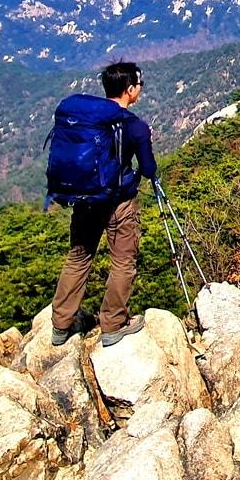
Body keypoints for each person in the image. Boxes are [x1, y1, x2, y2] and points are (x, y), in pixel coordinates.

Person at [49, 61, 157, 347]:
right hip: (119, 204)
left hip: (85, 202)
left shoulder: (91, 119)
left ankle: (61, 325)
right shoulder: (134, 126)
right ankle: (113, 325)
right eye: (139, 85)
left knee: (78, 258)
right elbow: (148, 169)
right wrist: (145, 143)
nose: (140, 90)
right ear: (130, 89)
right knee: (122, 262)